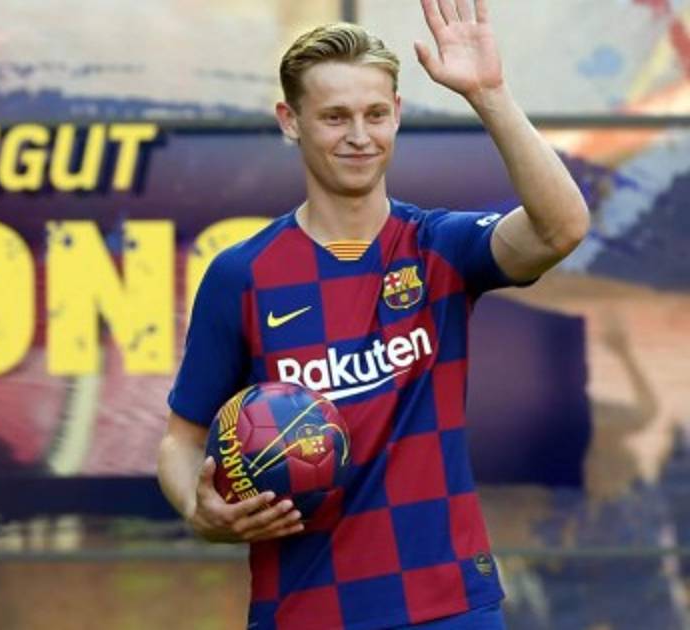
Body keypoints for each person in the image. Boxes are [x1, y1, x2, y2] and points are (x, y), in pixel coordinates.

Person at [156, 1, 589, 628]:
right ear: (290, 121)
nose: (359, 135)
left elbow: (561, 228)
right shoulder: (241, 275)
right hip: (304, 610)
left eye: (375, 114)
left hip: (450, 605)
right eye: (335, 116)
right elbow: (181, 440)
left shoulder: (438, 247)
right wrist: (199, 511)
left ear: (397, 115)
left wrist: (489, 94)